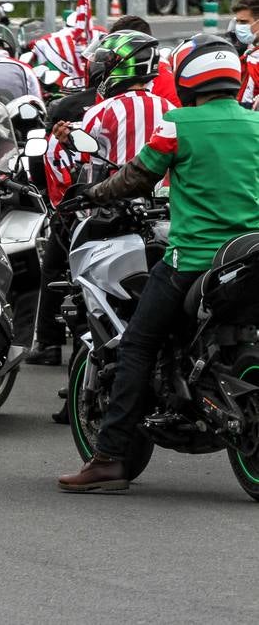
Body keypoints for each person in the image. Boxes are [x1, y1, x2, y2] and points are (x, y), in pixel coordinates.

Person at [57, 35, 259, 492]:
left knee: (137, 345)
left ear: (188, 77)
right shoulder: (257, 123)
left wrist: (92, 192)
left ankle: (108, 459)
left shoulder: (178, 122)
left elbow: (137, 175)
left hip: (194, 258)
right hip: (251, 253)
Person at [33, 30, 172, 367]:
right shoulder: (170, 108)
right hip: (164, 214)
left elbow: (90, 168)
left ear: (118, 67)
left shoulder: (101, 111)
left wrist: (67, 143)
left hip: (114, 216)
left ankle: (73, 353)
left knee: (81, 287)